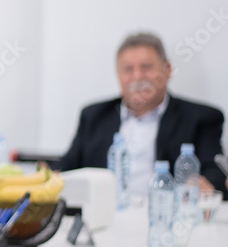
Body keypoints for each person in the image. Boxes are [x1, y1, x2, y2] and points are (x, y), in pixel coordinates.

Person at [56, 32, 226, 198]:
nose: (137, 77)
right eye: (128, 69)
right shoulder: (94, 116)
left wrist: (207, 185)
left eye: (147, 67)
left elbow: (215, 172)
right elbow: (66, 167)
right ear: (118, 75)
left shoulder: (200, 118)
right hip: (105, 212)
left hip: (163, 211)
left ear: (167, 70)